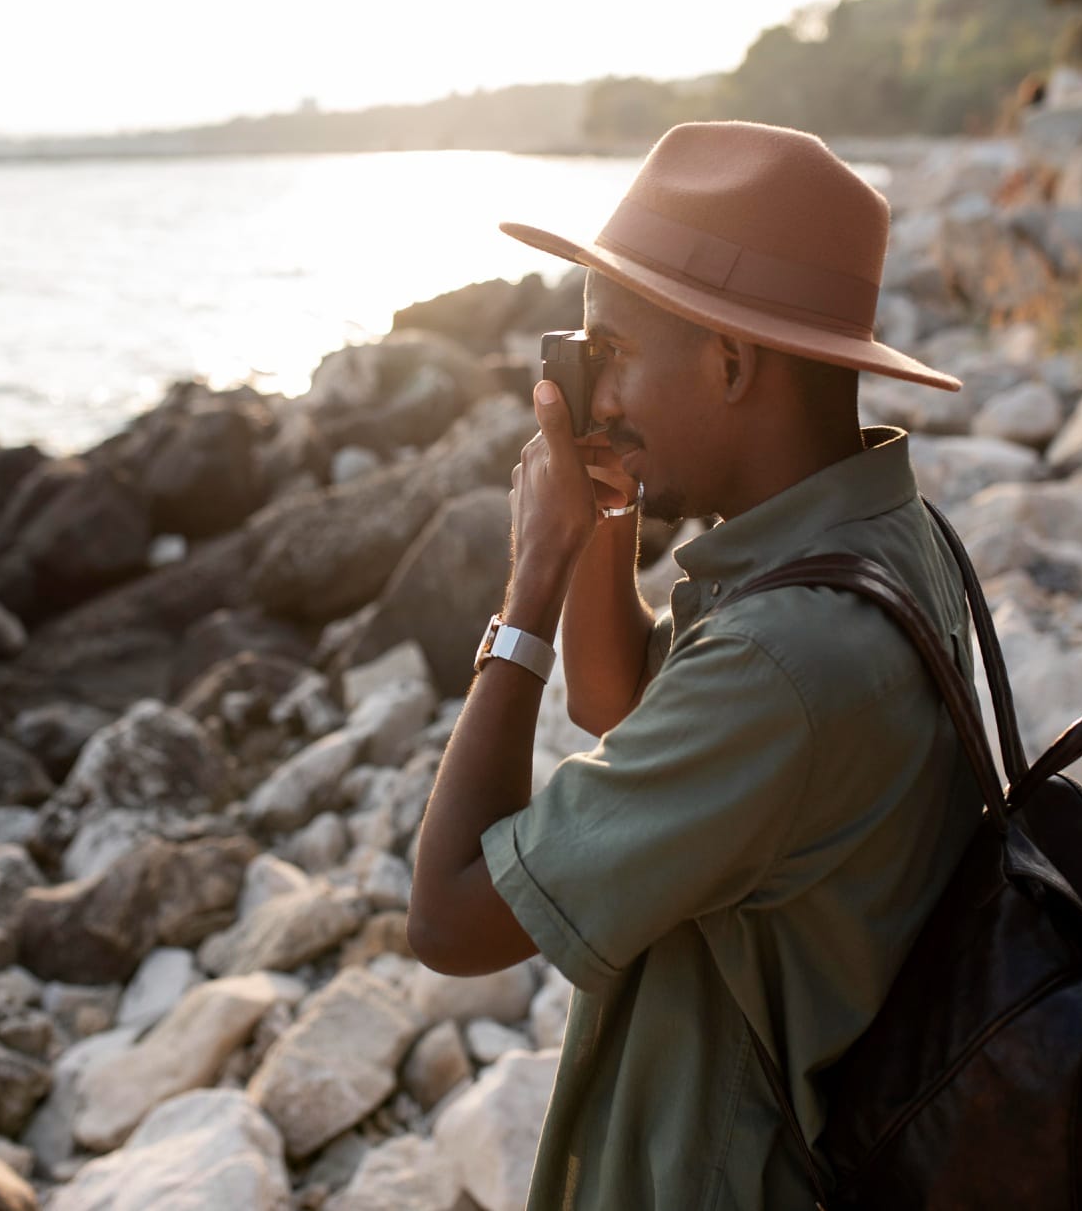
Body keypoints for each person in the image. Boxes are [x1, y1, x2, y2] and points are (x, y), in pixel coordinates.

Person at [406, 121, 989, 1209]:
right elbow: (618, 703)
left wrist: (528, 589)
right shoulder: (880, 541)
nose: (596, 392)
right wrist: (603, 520)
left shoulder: (784, 658)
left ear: (728, 362)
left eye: (609, 352)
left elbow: (447, 920)